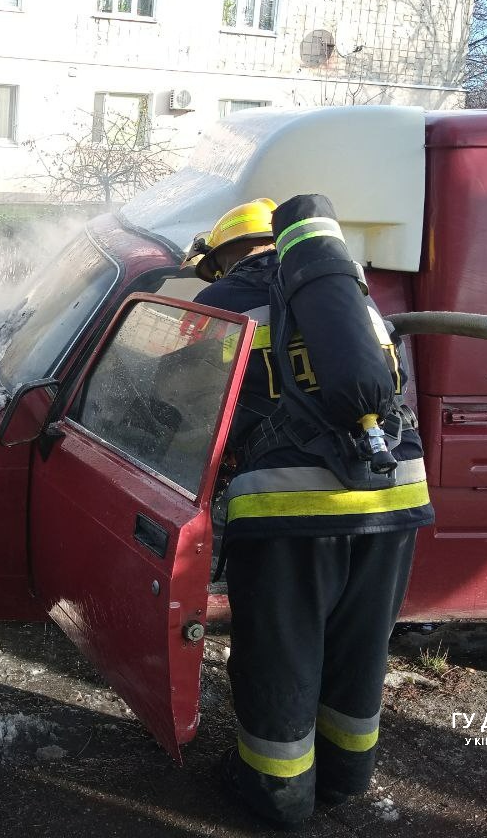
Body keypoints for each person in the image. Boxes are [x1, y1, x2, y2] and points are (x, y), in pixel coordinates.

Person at [189, 197, 434, 830]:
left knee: (281, 653)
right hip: (396, 495)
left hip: (289, 506)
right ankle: (348, 779)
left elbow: (196, 402)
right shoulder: (351, 297)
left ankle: (278, 797)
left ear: (225, 255)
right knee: (359, 650)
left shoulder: (231, 301)